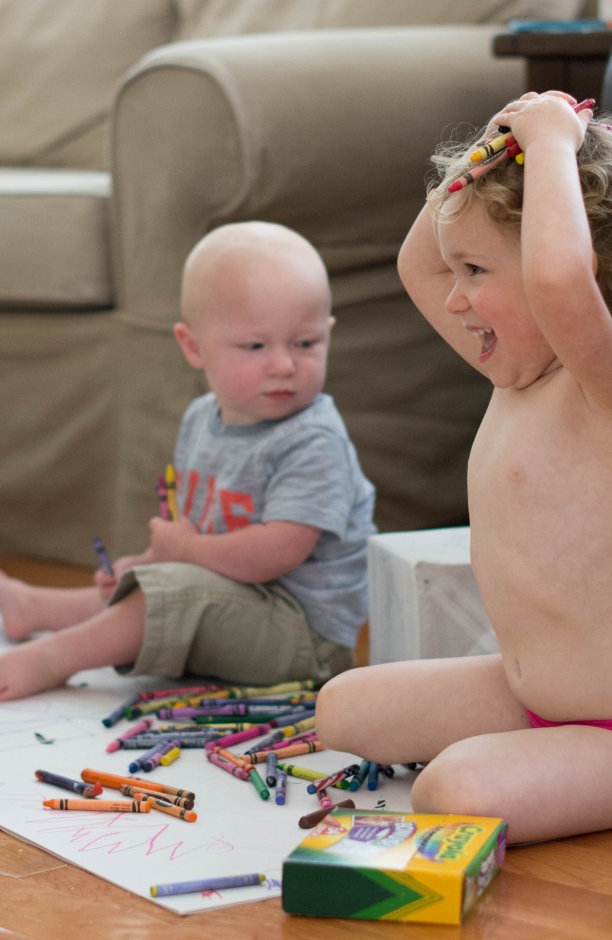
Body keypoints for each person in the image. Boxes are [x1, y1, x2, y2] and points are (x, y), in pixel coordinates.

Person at [316, 91, 612, 845]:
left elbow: (557, 284)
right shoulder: (511, 376)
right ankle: (537, 746)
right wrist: (489, 149)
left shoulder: (607, 386)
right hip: (528, 694)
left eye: (477, 270)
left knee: (453, 786)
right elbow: (415, 264)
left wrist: (549, 144)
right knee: (340, 709)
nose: (453, 298)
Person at [0, 221, 375, 700]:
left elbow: (275, 552)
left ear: (328, 334)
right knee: (151, 583)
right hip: (233, 595)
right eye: (256, 346)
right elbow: (201, 533)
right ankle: (37, 608)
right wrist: (150, 560)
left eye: (305, 343)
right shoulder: (202, 419)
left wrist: (184, 552)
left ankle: (52, 658)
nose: (283, 364)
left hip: (302, 635)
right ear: (194, 347)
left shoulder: (313, 440)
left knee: (168, 594)